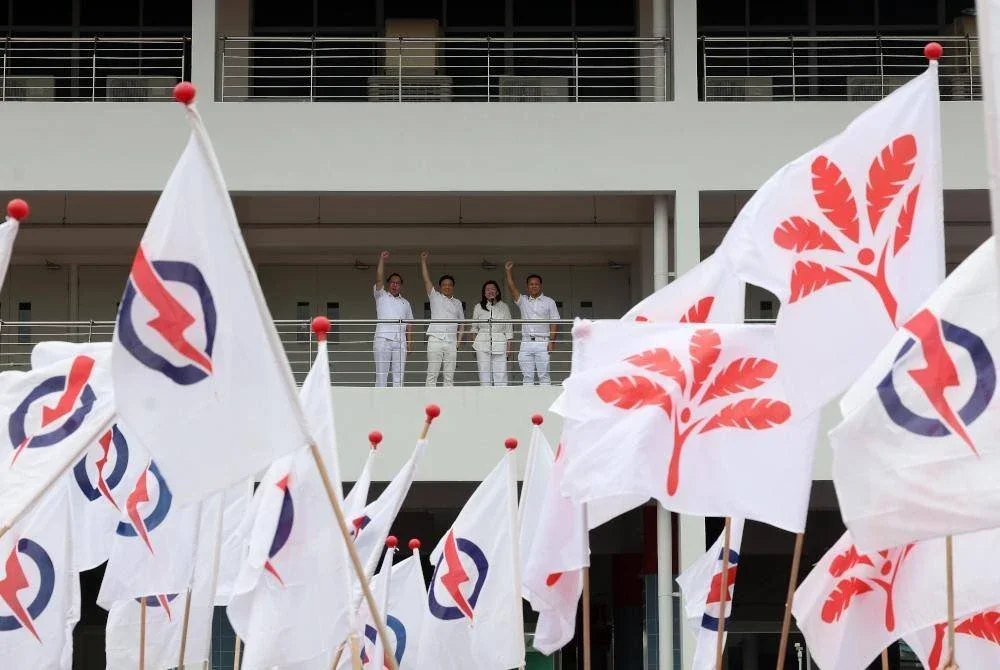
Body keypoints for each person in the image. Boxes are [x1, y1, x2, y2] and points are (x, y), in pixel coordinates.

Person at [504, 261, 559, 385]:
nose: (534, 286)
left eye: (536, 284)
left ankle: (546, 404)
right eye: (531, 284)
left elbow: (554, 323)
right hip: (526, 342)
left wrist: (551, 342)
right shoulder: (523, 301)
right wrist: (508, 271)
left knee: (544, 376)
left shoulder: (549, 302)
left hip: (543, 342)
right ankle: (528, 404)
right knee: (527, 377)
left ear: (541, 286)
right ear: (527, 287)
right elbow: (512, 287)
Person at [420, 251, 465, 387]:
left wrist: (459, 341)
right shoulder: (435, 297)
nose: (447, 286)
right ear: (440, 287)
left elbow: (462, 324)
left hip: (451, 342)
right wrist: (423, 261)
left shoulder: (457, 303)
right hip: (435, 339)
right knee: (432, 375)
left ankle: (448, 405)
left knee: (449, 377)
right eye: (444, 284)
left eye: (450, 284)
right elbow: (426, 280)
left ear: (453, 287)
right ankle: (429, 406)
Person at [373, 251, 413, 387]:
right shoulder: (381, 296)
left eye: (398, 283)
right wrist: (381, 260)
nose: (395, 285)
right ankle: (379, 406)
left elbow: (409, 324)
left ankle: (397, 406)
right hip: (383, 339)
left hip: (400, 341)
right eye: (392, 282)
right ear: (388, 284)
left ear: (401, 285)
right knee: (381, 376)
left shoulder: (405, 303)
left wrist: (409, 343)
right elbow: (379, 278)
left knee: (399, 377)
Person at [468, 280, 513, 386]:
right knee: (484, 375)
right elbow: (474, 328)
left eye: (493, 289)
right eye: (487, 289)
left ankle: (500, 400)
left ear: (497, 292)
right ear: (484, 293)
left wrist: (509, 348)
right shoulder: (478, 307)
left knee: (501, 375)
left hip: (500, 344)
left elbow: (509, 329)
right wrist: (475, 345)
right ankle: (486, 399)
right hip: (482, 344)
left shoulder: (504, 307)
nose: (490, 291)